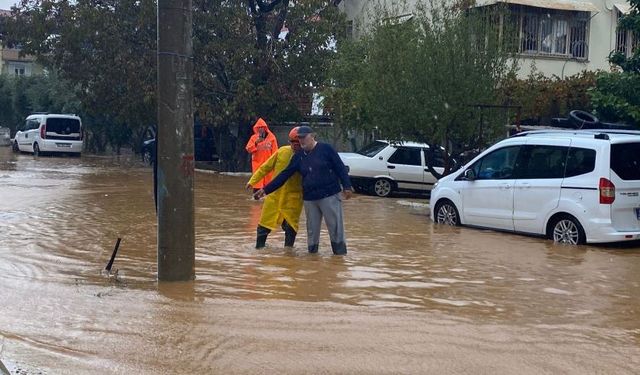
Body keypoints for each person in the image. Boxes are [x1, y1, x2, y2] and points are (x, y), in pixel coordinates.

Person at [254, 126, 353, 255]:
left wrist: (347, 186)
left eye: (303, 137)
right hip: (310, 199)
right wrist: (265, 190)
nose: (301, 141)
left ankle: (339, 256)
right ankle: (313, 258)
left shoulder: (326, 149)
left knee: (335, 228)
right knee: (312, 231)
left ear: (312, 136)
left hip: (329, 195)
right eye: (298, 138)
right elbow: (284, 175)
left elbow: (340, 167)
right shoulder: (298, 157)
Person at [246, 127, 304, 248]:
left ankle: (288, 254)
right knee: (263, 226)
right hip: (274, 196)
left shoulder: (307, 156)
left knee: (290, 227)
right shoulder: (282, 152)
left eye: (298, 143)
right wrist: (253, 181)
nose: (295, 146)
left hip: (293, 199)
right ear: (289, 142)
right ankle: (259, 249)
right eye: (293, 143)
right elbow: (265, 167)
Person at [245, 118, 278, 197]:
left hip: (268, 166)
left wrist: (275, 164)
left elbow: (276, 152)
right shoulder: (253, 138)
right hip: (257, 165)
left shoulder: (272, 138)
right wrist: (256, 143)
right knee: (257, 185)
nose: (260, 129)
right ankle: (256, 204)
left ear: (265, 128)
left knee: (268, 187)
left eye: (262, 127)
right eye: (258, 128)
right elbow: (248, 149)